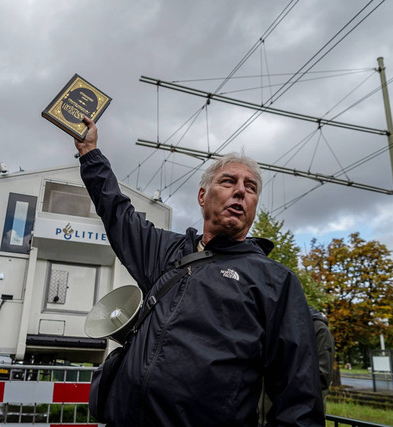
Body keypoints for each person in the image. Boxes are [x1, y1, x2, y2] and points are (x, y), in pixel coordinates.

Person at [76, 117, 324, 426]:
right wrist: (90, 152)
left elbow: (299, 393)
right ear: (202, 196)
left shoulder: (275, 281)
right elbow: (117, 212)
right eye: (228, 181)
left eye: (251, 188)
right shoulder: (165, 252)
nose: (240, 192)